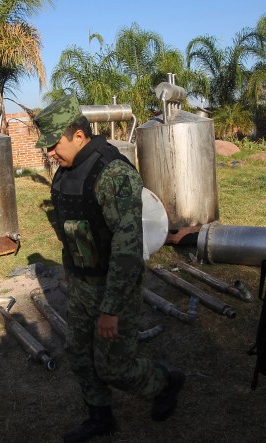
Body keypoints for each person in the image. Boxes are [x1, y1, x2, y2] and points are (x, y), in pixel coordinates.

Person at [34, 95, 185, 443]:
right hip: (84, 281)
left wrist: (111, 308)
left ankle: (164, 384)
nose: (50, 154)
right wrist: (71, 266)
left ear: (78, 136)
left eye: (54, 145)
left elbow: (127, 248)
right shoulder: (65, 173)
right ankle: (100, 416)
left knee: (114, 366)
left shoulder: (113, 173)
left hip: (115, 283)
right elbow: (70, 226)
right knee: (79, 352)